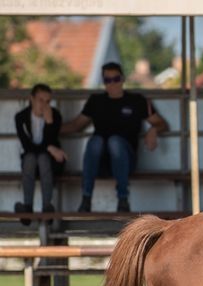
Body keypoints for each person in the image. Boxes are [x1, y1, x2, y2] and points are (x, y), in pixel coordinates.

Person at [61, 62, 169, 212]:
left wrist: (153, 129)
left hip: (125, 163)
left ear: (123, 79)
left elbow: (162, 124)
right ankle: (86, 198)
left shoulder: (137, 101)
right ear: (103, 82)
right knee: (96, 141)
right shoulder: (96, 101)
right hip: (100, 164)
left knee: (115, 142)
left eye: (116, 79)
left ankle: (123, 199)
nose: (112, 84)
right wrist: (50, 129)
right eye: (107, 80)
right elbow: (76, 125)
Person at [14, 84, 66, 225]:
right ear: (31, 98)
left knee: (43, 158)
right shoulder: (21, 117)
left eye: (48, 101)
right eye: (40, 100)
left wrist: (49, 123)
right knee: (30, 158)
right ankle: (27, 207)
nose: (44, 104)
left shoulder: (55, 116)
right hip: (30, 164)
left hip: (50, 163)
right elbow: (27, 146)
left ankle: (46, 207)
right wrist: (50, 148)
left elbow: (52, 140)